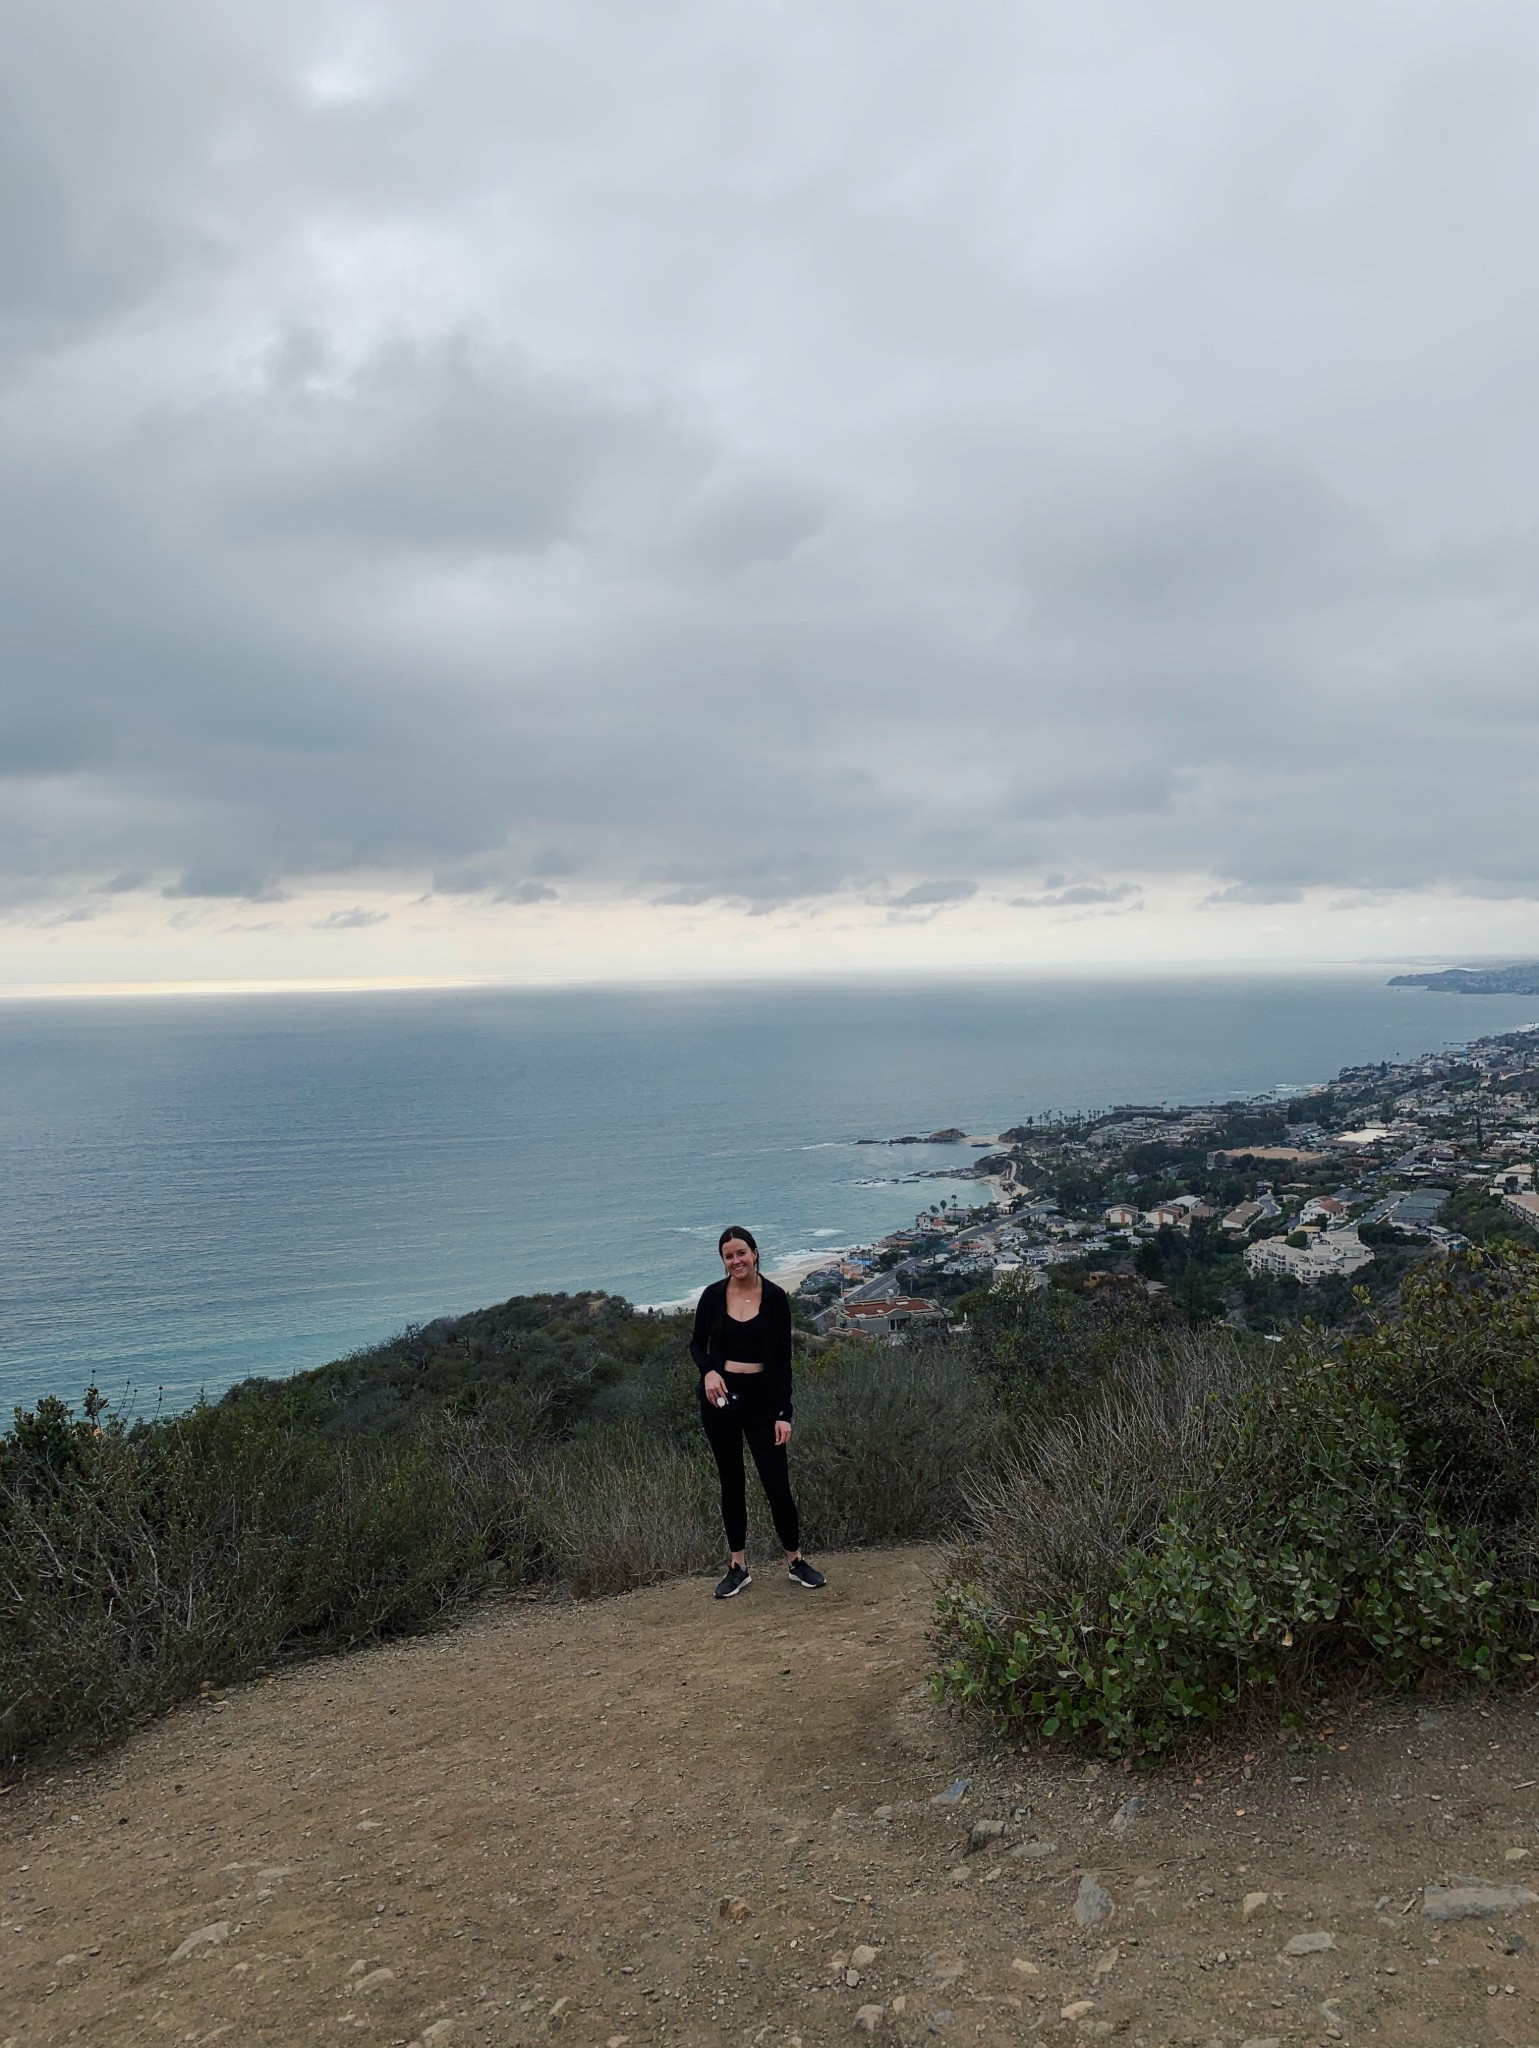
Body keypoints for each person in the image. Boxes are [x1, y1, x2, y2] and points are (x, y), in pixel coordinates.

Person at [690, 1225, 826, 1599]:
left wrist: (785, 1413)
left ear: (755, 1253)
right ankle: (738, 1566)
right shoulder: (712, 1297)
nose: (736, 1261)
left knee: (776, 1484)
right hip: (720, 1401)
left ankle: (796, 1561)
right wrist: (709, 1372)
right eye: (728, 1256)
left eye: (741, 1253)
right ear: (723, 1261)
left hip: (763, 1400)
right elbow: (697, 1345)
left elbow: (783, 1360)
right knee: (731, 1482)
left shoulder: (776, 1298)